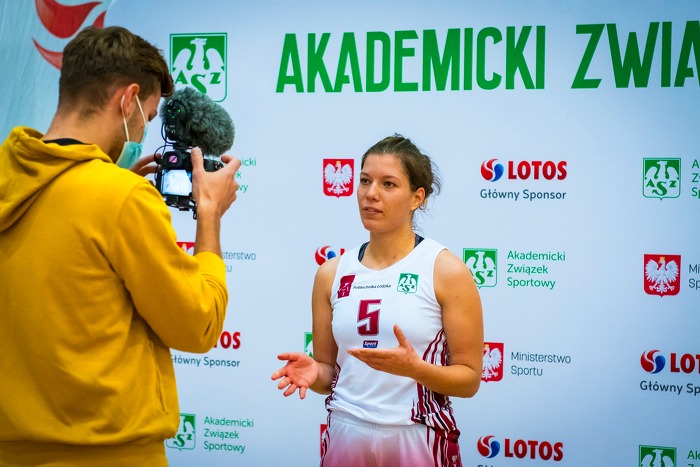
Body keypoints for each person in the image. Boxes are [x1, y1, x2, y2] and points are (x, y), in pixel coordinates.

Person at [0, 26, 240, 466]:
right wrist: (209, 215)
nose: (143, 131)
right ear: (128, 101)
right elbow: (199, 326)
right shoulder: (121, 197)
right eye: (147, 116)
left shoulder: (9, 175)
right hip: (109, 454)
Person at [272, 135, 484, 466]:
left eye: (388, 184)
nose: (371, 194)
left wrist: (416, 370)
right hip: (345, 433)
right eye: (365, 181)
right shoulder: (331, 273)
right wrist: (315, 372)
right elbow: (329, 374)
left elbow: (469, 380)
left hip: (417, 435)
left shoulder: (445, 270)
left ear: (417, 197)